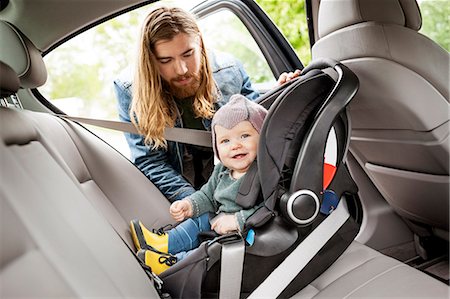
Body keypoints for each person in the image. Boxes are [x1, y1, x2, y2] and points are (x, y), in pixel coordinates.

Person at [113, 6, 300, 203]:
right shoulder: (130, 91)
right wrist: (198, 205)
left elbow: (257, 131)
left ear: (200, 45)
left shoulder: (230, 71)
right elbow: (151, 161)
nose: (181, 69)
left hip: (236, 184)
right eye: (166, 60)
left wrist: (280, 99)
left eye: (188, 54)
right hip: (180, 193)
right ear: (150, 61)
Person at [130, 95, 268, 274]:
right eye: (225, 141)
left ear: (262, 137)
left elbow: (269, 207)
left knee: (209, 251)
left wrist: (237, 220)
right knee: (199, 220)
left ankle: (171, 264)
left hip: (242, 234)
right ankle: (163, 244)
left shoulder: (264, 172)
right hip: (219, 223)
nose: (235, 145)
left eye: (244, 136)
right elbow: (207, 196)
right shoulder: (222, 171)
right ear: (216, 147)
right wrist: (189, 205)